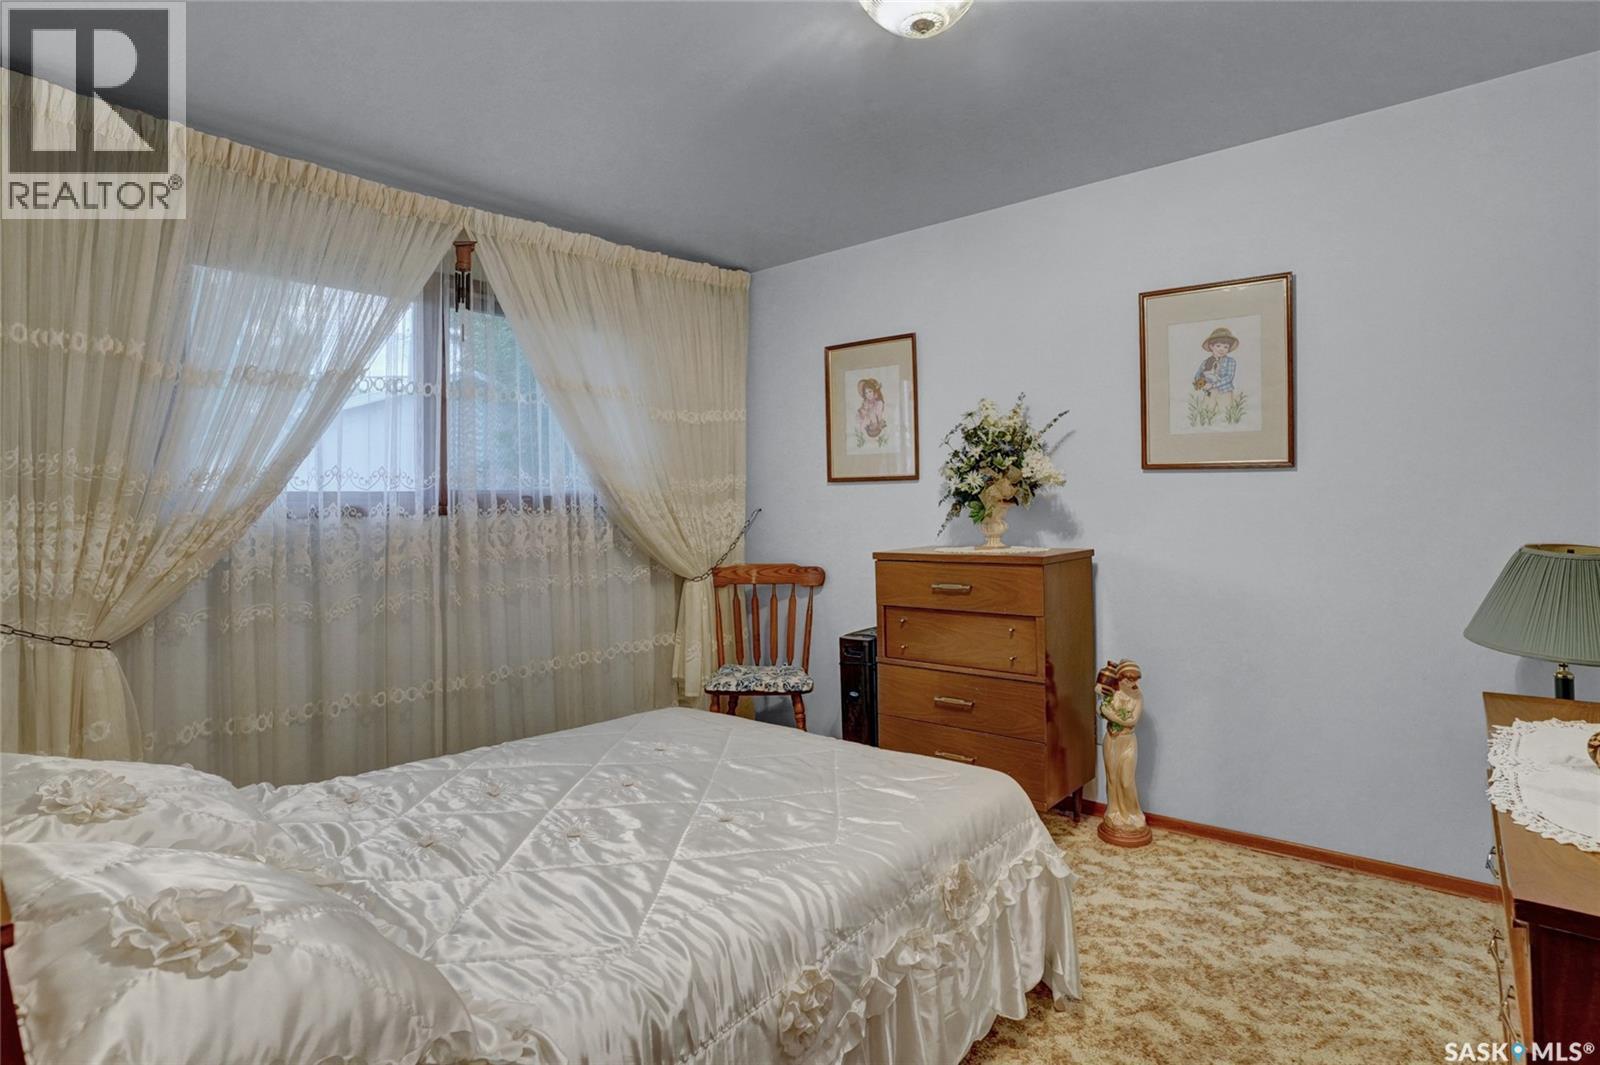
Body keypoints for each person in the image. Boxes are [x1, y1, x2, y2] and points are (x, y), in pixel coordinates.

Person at [1095, 659, 1150, 845]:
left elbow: (1131, 720)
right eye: (1128, 680)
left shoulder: (1138, 696)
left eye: (1135, 679)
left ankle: (1133, 814)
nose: (1132, 683)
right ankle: (1114, 812)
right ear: (1120, 679)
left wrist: (1108, 713)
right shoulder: (1113, 692)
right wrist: (1100, 698)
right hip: (1112, 740)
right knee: (1112, 778)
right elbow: (1099, 710)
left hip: (1127, 741)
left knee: (1126, 780)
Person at [1192, 326, 1238, 398]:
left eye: (1225, 347)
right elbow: (1197, 375)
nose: (1221, 349)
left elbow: (1229, 378)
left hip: (1225, 391)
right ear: (1211, 346)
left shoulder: (1230, 361)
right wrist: (1202, 383)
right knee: (1207, 405)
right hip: (1209, 392)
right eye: (1218, 346)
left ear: (1228, 349)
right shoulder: (1205, 362)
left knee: (1225, 405)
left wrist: (1213, 385)